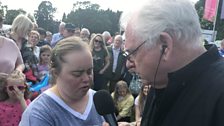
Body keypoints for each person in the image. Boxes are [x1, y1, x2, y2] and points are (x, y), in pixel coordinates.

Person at [114, 0, 224, 126]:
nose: (129, 65)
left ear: (165, 46)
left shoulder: (219, 98)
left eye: (133, 53)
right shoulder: (160, 82)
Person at [19, 37, 104, 126]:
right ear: (55, 73)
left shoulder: (99, 100)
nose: (87, 78)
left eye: (89, 71)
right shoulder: (40, 112)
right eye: (77, 74)